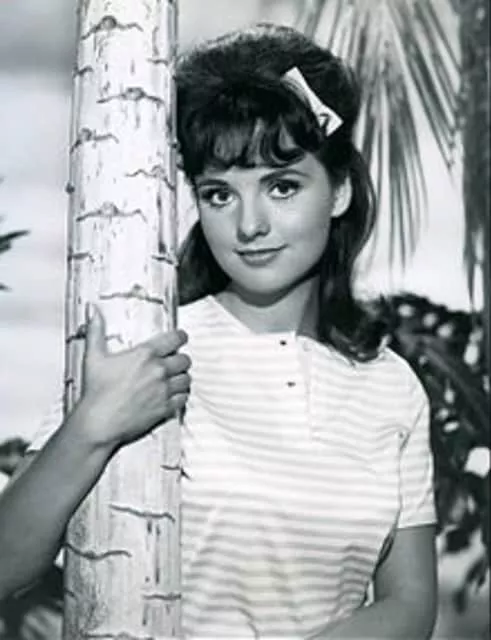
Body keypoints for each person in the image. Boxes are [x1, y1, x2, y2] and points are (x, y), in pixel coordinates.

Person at [0, 24, 437, 639]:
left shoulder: (392, 386)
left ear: (339, 190)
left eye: (281, 186)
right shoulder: (154, 347)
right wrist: (93, 426)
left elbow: (411, 605)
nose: (249, 224)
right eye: (219, 194)